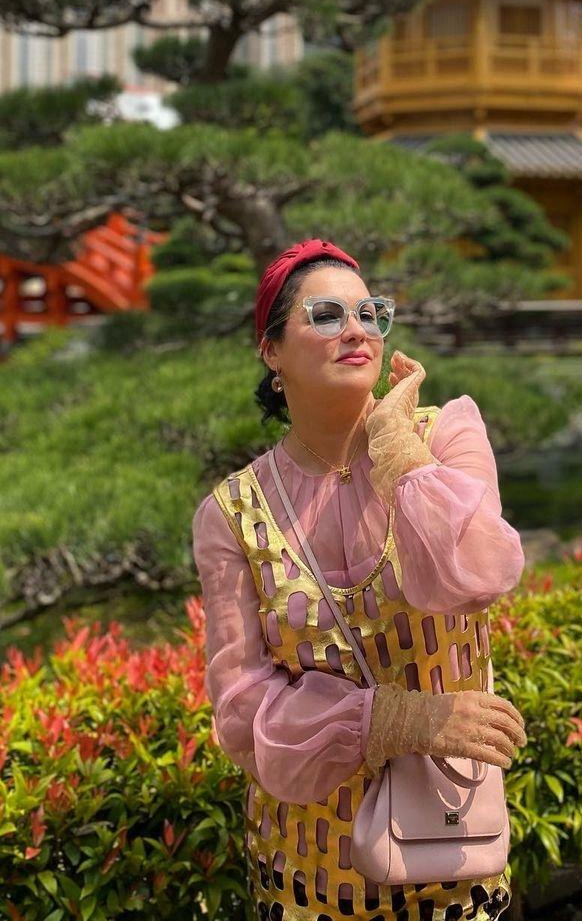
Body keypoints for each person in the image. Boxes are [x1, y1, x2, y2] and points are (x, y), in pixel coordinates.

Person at [191, 236, 528, 921]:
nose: (357, 330)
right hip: (309, 870)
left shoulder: (445, 438)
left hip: (451, 850)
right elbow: (240, 709)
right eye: (326, 315)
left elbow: (482, 574)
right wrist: (395, 719)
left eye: (371, 313)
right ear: (271, 351)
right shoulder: (230, 512)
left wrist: (400, 454)